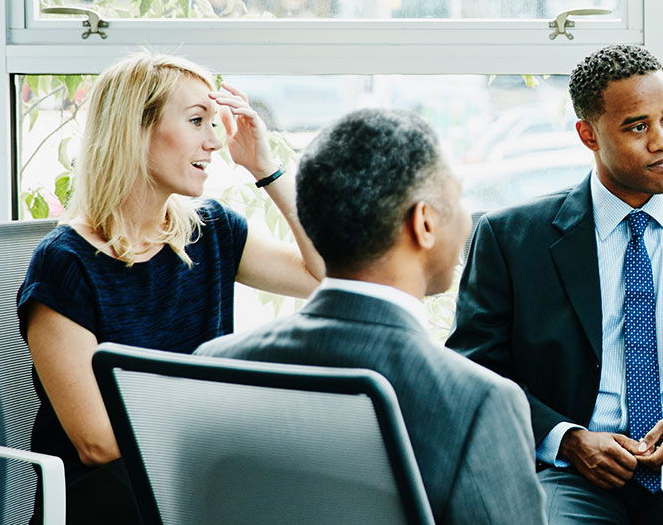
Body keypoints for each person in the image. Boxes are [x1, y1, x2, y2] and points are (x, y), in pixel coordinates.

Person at [447, 44, 663, 525]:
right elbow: (475, 372)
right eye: (637, 127)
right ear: (588, 134)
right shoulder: (511, 239)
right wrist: (567, 439)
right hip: (568, 474)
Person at [195, 109, 547, 525]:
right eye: (457, 200)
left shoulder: (215, 365)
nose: (468, 220)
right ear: (424, 223)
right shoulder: (478, 400)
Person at [16, 52, 324, 523]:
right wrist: (222, 421)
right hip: (112, 496)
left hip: (198, 473)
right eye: (197, 121)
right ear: (135, 131)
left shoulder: (210, 232)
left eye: (213, 123)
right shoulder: (65, 263)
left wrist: (267, 170)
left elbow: (323, 276)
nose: (215, 141)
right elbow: (98, 443)